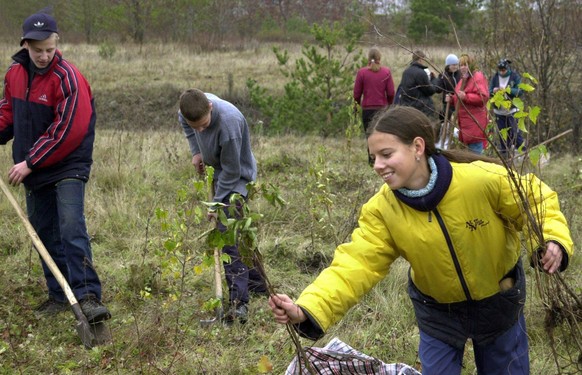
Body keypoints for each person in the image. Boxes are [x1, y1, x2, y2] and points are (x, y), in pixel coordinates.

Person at [269, 105, 573, 375]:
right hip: (438, 313)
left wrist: (552, 240)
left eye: (386, 155)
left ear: (417, 147)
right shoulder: (382, 210)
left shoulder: (478, 180)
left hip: (499, 303)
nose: (377, 165)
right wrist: (306, 308)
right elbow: (354, 266)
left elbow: (535, 199)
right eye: (373, 157)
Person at [0, 12, 111, 323]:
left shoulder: (68, 78)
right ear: (25, 44)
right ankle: (60, 294)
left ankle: (88, 296)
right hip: (33, 167)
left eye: (49, 49)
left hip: (67, 166)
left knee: (71, 227)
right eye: (38, 50)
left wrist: (30, 163)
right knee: (43, 233)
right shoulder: (14, 75)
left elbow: (68, 132)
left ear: (55, 43)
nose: (44, 56)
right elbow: (8, 115)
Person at [178, 88, 267, 323]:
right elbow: (186, 124)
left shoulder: (229, 124)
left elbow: (232, 171)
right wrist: (197, 152)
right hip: (218, 173)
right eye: (194, 126)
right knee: (239, 234)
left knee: (228, 238)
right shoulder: (188, 110)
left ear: (210, 107)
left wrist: (217, 203)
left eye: (204, 125)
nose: (200, 130)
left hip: (237, 180)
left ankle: (239, 304)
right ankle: (258, 284)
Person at [353, 47, 395, 165]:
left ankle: (372, 160)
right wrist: (389, 105)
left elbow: (356, 93)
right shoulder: (386, 72)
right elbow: (391, 92)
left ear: (368, 58)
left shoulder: (362, 73)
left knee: (370, 135)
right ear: (379, 58)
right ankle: (384, 158)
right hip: (382, 108)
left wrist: (356, 106)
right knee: (383, 134)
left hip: (367, 109)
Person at [446, 54, 490, 154]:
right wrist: (452, 99)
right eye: (461, 65)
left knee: (475, 154)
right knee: (470, 154)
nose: (462, 67)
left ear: (471, 65)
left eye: (465, 65)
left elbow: (483, 97)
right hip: (466, 124)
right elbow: (459, 96)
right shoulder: (463, 79)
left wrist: (466, 97)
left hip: (475, 122)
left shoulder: (477, 77)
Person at [489, 58, 525, 159]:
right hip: (499, 111)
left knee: (515, 133)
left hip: (512, 110)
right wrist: (494, 91)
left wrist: (507, 90)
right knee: (503, 136)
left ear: (507, 68)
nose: (501, 72)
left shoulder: (514, 76)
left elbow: (520, 91)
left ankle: (523, 155)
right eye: (500, 70)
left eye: (503, 70)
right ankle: (506, 157)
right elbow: (489, 91)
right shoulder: (495, 77)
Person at [398, 50, 439, 118]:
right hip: (420, 109)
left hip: (407, 108)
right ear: (420, 59)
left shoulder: (405, 72)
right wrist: (434, 79)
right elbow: (430, 91)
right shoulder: (421, 73)